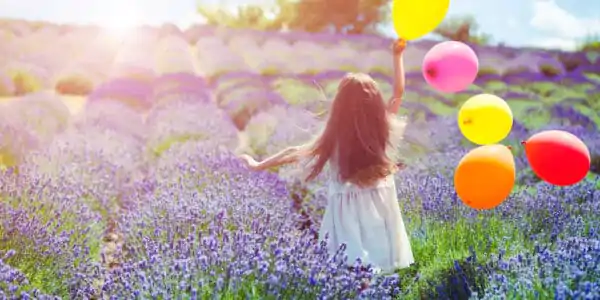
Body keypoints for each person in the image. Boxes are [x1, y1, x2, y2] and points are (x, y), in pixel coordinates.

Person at [239, 39, 414, 274]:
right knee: (380, 263)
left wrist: (259, 165)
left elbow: (294, 152)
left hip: (346, 215)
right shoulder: (383, 129)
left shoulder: (336, 137)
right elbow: (398, 94)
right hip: (379, 210)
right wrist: (397, 56)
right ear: (374, 103)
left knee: (351, 267)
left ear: (340, 105)